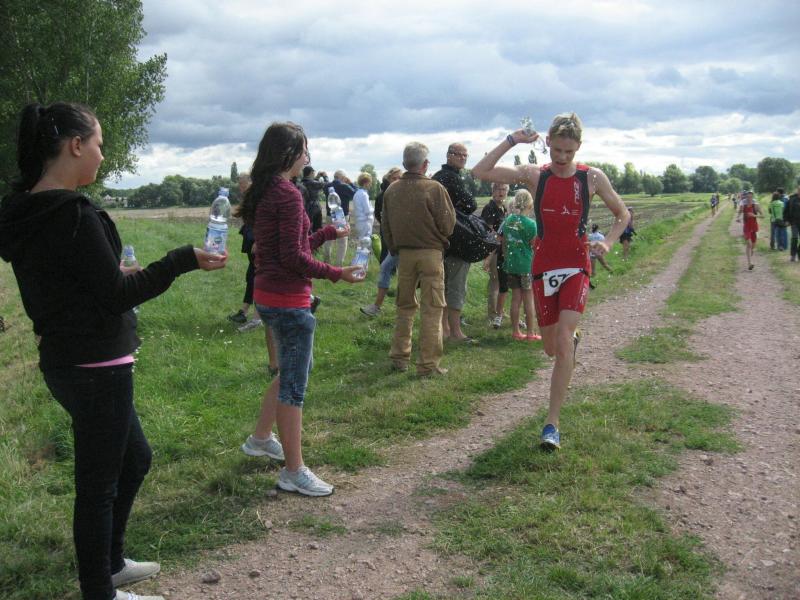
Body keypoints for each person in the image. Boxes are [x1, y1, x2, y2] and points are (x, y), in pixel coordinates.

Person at [0, 102, 228, 600]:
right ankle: (98, 590)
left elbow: (69, 282)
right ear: (75, 145)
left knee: (135, 458)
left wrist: (112, 275)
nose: (102, 155)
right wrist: (181, 259)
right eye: (99, 144)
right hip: (96, 364)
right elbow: (117, 297)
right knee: (98, 486)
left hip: (67, 361)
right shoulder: (73, 214)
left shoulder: (29, 211)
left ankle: (112, 564)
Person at [472, 112, 629, 450]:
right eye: (556, 150)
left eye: (568, 152)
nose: (561, 157)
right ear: (548, 143)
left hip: (576, 266)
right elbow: (480, 172)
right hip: (543, 267)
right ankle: (567, 341)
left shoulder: (592, 178)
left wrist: (608, 242)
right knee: (550, 348)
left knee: (563, 341)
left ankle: (551, 424)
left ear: (579, 148)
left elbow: (622, 214)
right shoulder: (535, 175)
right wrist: (513, 140)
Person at [236, 122, 362, 497]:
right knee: (294, 385)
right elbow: (294, 257)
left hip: (268, 294)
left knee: (294, 369)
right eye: (305, 150)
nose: (308, 158)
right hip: (287, 300)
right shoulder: (287, 194)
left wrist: (327, 234)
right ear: (289, 154)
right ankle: (294, 471)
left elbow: (288, 246)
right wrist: (337, 273)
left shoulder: (267, 189)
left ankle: (261, 439)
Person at [382, 142, 456, 376]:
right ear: (425, 164)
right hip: (431, 254)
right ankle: (427, 364)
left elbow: (386, 226)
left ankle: (399, 357)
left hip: (404, 255)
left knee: (404, 306)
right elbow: (448, 224)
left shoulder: (392, 190)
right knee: (432, 308)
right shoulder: (434, 189)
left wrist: (394, 249)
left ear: (405, 163)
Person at [433, 143, 477, 342]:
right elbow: (471, 204)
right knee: (456, 286)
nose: (462, 158)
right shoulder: (451, 178)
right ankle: (456, 331)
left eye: (465, 155)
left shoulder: (436, 177)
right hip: (457, 240)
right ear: (448, 155)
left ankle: (444, 328)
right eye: (458, 154)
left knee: (442, 285)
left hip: (438, 240)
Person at [360, 168, 403, 317]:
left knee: (405, 274)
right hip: (395, 241)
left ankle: (402, 309)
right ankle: (379, 307)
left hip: (406, 242)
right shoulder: (384, 195)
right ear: (388, 179)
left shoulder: (404, 194)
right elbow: (381, 216)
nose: (397, 181)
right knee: (387, 267)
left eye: (399, 178)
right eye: (394, 178)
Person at [501, 189, 540, 341]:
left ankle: (516, 331)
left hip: (511, 265)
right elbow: (534, 246)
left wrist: (507, 258)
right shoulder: (531, 224)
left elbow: (505, 243)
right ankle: (530, 333)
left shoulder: (508, 220)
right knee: (528, 299)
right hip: (526, 266)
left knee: (515, 299)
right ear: (530, 205)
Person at [481, 182, 509, 328]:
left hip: (502, 251)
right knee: (495, 282)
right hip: (493, 250)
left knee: (501, 282)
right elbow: (489, 232)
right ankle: (493, 314)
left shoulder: (504, 208)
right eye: (498, 189)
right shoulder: (490, 208)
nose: (501, 192)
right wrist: (488, 256)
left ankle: (500, 311)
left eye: (504, 189)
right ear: (493, 191)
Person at [321, 170, 356, 266]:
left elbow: (326, 184)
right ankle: (338, 265)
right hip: (341, 216)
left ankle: (326, 262)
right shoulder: (344, 186)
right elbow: (355, 193)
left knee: (328, 238)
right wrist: (351, 183)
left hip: (329, 215)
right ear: (343, 178)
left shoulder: (327, 186)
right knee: (342, 241)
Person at [737, 190, 761, 270]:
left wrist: (754, 215)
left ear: (752, 197)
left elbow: (763, 215)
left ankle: (752, 250)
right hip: (746, 227)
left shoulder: (756, 205)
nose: (749, 198)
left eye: (750, 197)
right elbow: (740, 211)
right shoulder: (743, 204)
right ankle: (749, 264)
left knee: (753, 245)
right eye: (747, 197)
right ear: (746, 197)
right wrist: (738, 218)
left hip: (754, 227)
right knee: (749, 244)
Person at [588, 223, 613, 288]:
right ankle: (612, 273)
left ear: (592, 229)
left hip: (592, 253)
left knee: (593, 270)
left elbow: (589, 245)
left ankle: (593, 282)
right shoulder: (601, 236)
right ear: (597, 228)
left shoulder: (589, 236)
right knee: (605, 265)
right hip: (599, 252)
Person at [352, 172, 375, 240]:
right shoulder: (364, 194)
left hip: (359, 222)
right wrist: (373, 208)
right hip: (365, 222)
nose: (371, 185)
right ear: (366, 183)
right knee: (366, 243)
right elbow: (367, 211)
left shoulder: (357, 193)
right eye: (370, 183)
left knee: (361, 242)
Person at [785, 181, 800, 262]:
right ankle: (793, 255)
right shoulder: (792, 199)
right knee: (794, 238)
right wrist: (787, 220)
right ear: (797, 190)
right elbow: (786, 210)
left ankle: (799, 253)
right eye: (799, 190)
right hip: (794, 222)